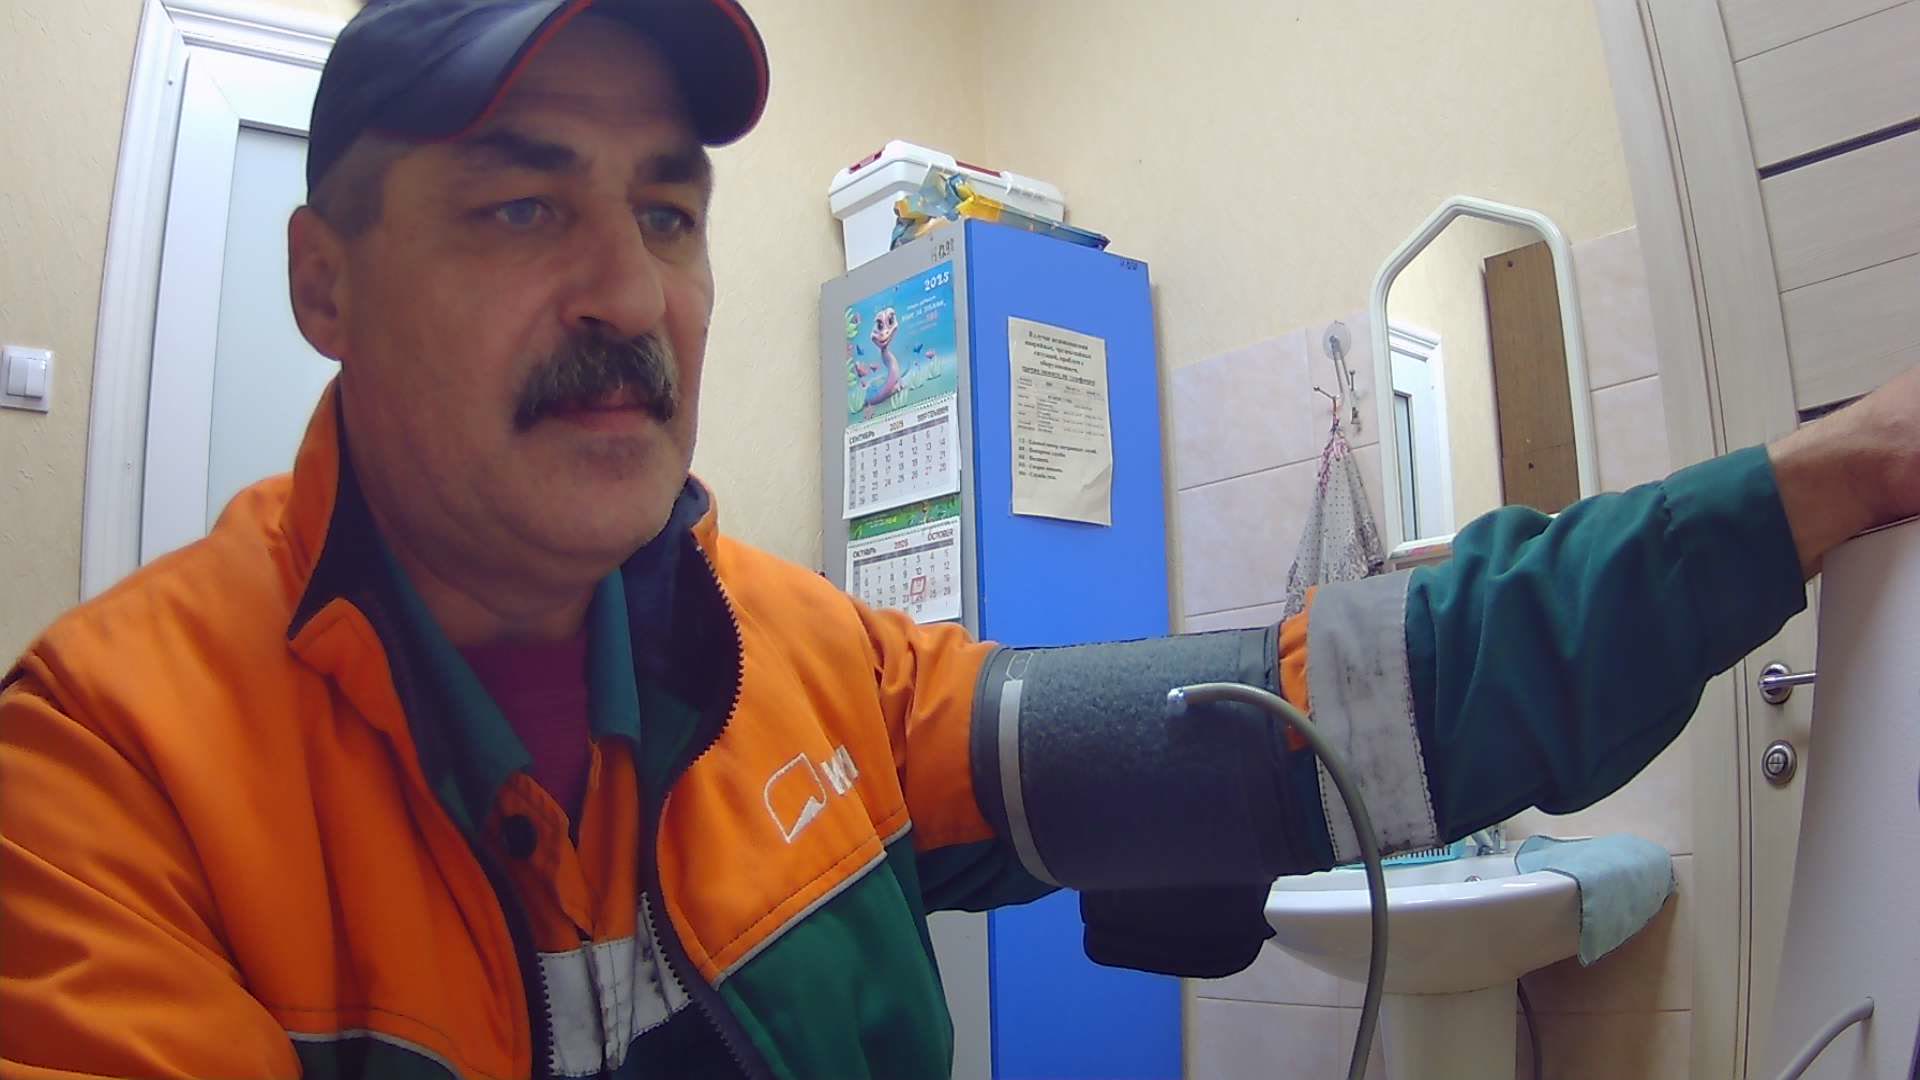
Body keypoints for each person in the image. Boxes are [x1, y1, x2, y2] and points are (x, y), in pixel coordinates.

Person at [1, 1, 1915, 1077]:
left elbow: (1302, 715)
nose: (629, 297)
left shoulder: (808, 659)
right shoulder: (100, 780)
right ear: (324, 283)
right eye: (520, 209)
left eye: (667, 215)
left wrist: (1784, 498)